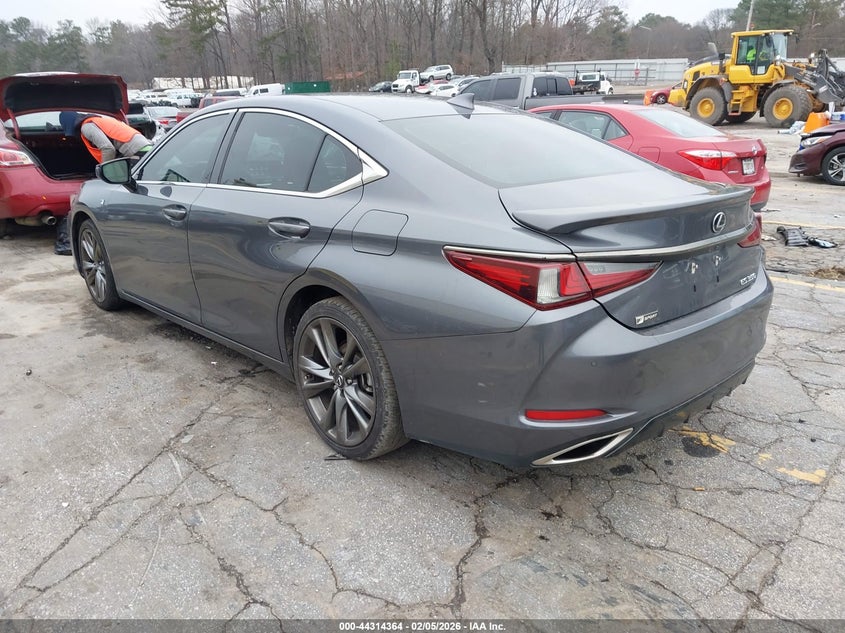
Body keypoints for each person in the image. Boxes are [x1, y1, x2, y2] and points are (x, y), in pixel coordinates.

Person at [53, 112, 153, 255]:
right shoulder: (98, 120)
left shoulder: (86, 127)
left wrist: (105, 172)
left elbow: (107, 148)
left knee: (131, 192)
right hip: (143, 149)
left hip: (136, 152)